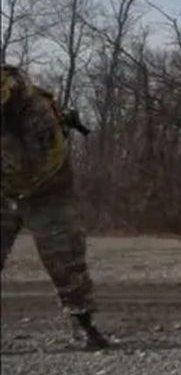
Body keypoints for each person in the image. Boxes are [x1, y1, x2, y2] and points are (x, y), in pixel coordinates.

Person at [0, 64, 109, 349]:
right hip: (6, 190)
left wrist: (19, 186)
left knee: (65, 260)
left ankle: (83, 325)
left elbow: (48, 160)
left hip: (46, 192)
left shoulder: (36, 111)